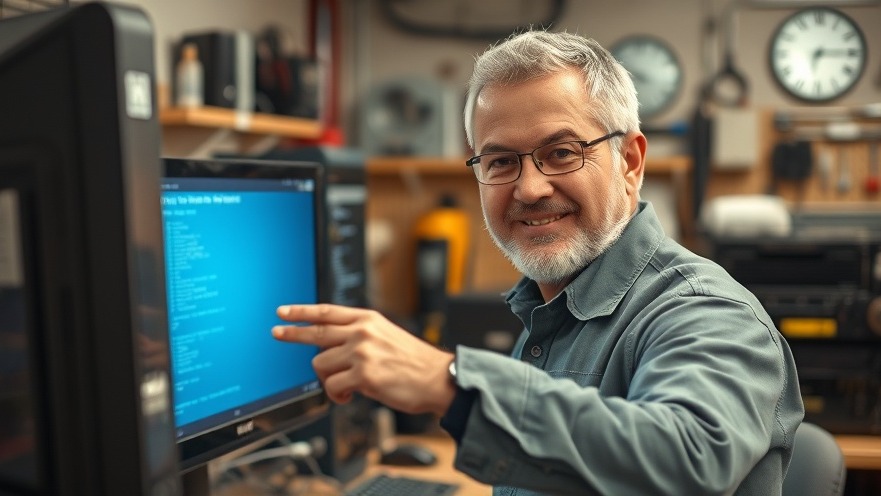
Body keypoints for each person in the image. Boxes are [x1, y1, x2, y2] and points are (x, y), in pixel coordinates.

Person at [272, 29, 804, 495]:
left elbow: (691, 459)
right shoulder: (552, 309)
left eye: (562, 153)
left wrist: (450, 382)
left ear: (631, 162)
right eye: (501, 161)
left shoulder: (703, 312)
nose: (529, 188)